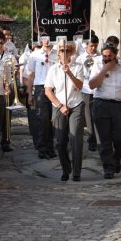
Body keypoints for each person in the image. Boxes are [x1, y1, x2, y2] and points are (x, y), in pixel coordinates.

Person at [89, 44, 121, 179]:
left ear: (115, 55)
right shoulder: (98, 65)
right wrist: (105, 70)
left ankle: (117, 158)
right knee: (104, 139)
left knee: (119, 137)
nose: (107, 58)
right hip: (101, 104)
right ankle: (108, 167)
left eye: (110, 56)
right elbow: (92, 85)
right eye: (104, 56)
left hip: (119, 106)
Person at [45, 43, 85, 181]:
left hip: (76, 104)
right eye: (62, 50)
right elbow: (48, 90)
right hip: (59, 105)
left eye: (68, 51)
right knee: (60, 141)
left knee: (76, 139)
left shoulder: (78, 67)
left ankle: (76, 172)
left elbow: (80, 86)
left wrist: (69, 73)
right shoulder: (53, 69)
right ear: (58, 53)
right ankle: (65, 168)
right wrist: (59, 105)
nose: (64, 53)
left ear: (72, 52)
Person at [25, 36, 57, 159]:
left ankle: (51, 147)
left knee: (53, 120)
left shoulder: (58, 53)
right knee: (42, 119)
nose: (47, 41)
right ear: (41, 40)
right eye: (44, 38)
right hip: (40, 89)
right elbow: (31, 75)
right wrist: (29, 94)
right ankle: (42, 148)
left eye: (49, 38)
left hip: (55, 88)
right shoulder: (35, 55)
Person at [75, 35, 100, 152]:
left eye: (95, 46)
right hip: (85, 89)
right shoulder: (80, 58)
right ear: (86, 45)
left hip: (99, 90)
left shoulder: (101, 57)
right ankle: (91, 140)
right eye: (91, 46)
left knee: (98, 116)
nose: (93, 48)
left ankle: (100, 139)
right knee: (89, 117)